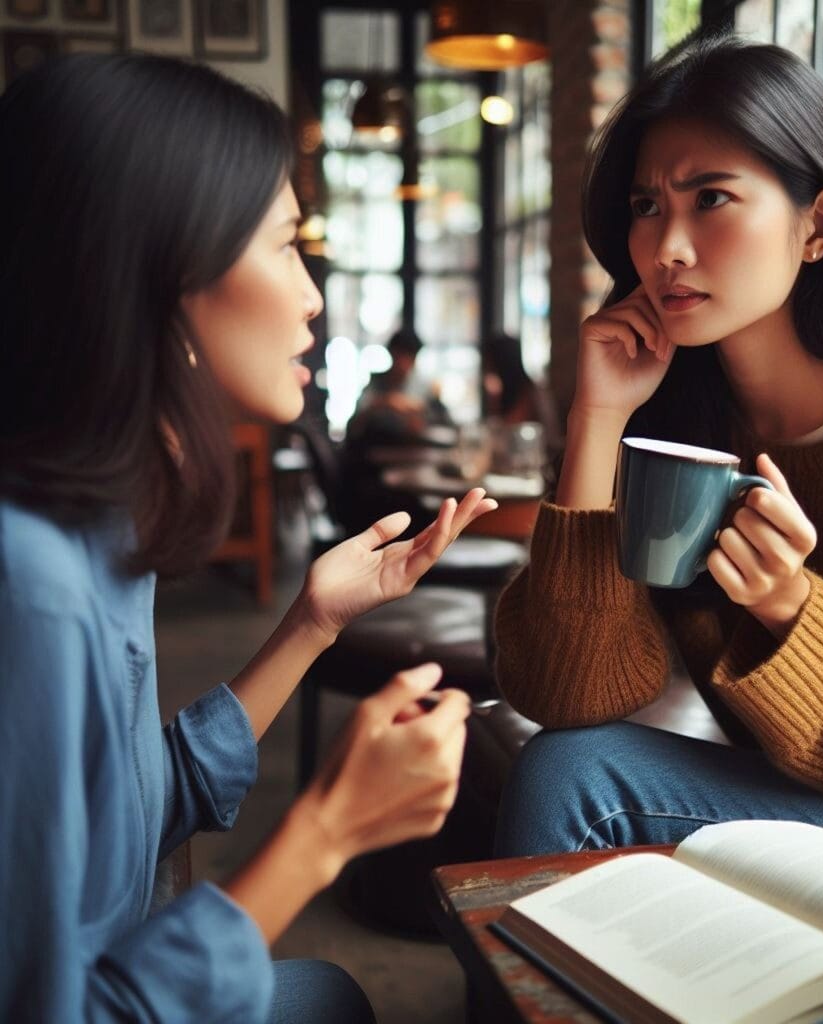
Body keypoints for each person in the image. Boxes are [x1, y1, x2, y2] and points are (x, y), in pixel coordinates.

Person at [0, 54, 497, 1023]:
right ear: (165, 279)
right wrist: (322, 830)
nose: (312, 296)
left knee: (328, 997)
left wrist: (312, 620)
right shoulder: (33, 588)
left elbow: (144, 807)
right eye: (283, 248)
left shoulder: (103, 523)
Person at [492, 32, 823, 857]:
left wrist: (789, 607)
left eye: (710, 198)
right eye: (646, 207)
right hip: (796, 791)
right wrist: (598, 422)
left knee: (573, 781)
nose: (666, 248)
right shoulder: (674, 419)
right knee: (563, 761)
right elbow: (571, 692)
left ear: (818, 225)